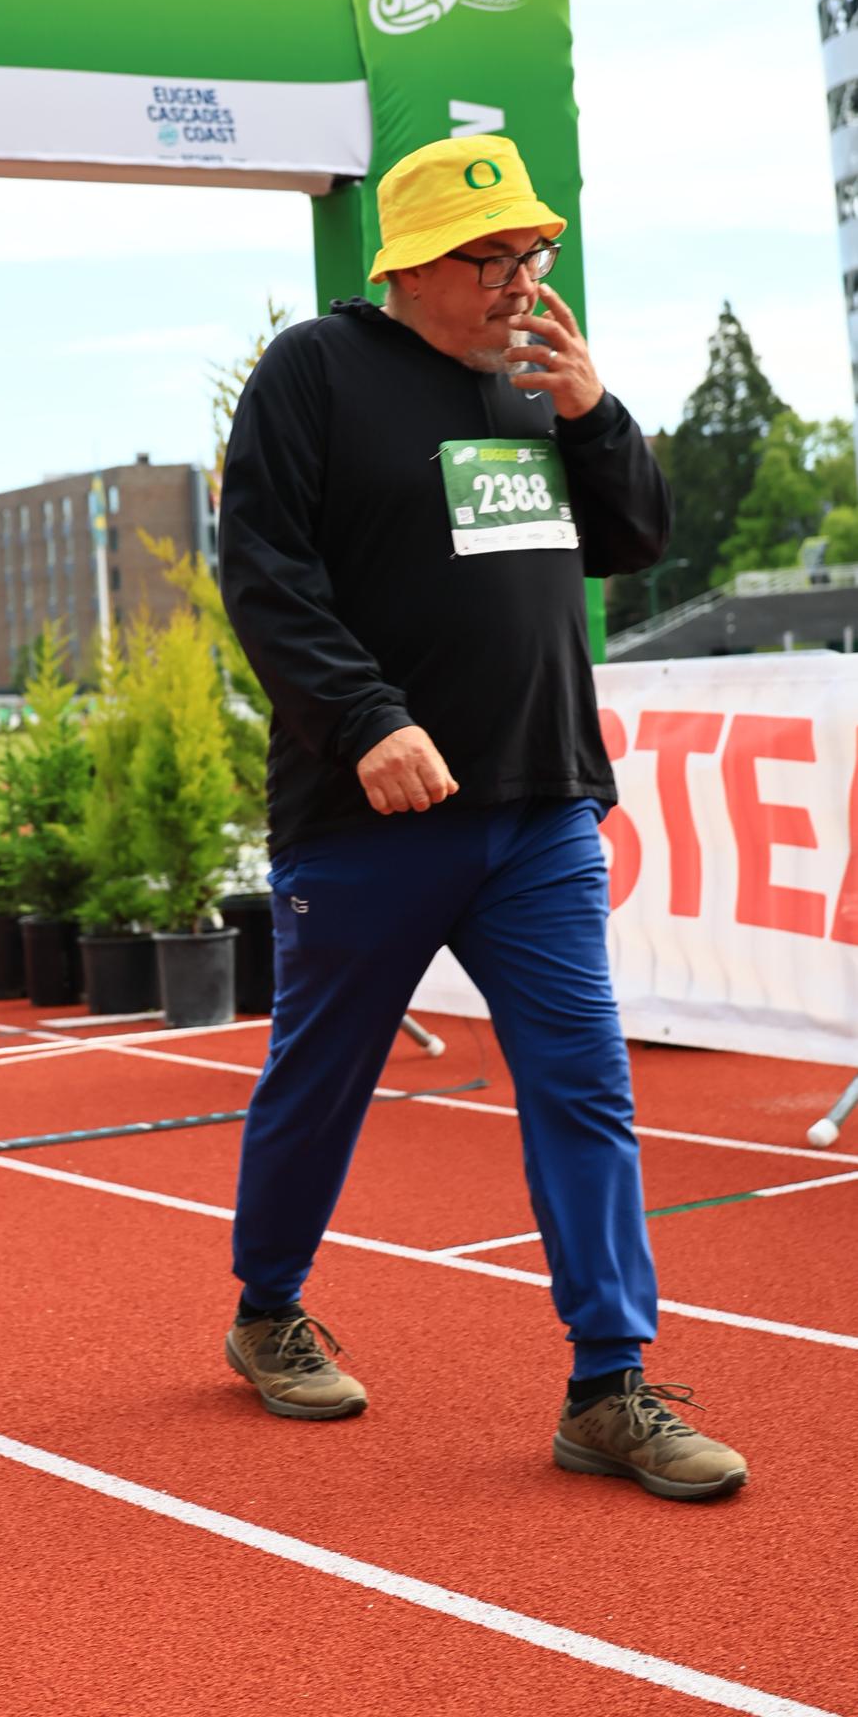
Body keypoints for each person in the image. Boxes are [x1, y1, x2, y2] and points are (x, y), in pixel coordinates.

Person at [216, 135, 748, 1503]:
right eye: (492, 258)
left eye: (534, 254)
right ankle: (268, 1308)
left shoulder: (539, 384)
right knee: (321, 1079)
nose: (522, 281)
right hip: (367, 812)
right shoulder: (315, 372)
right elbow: (264, 573)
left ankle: (607, 1386)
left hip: (543, 802)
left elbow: (632, 538)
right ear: (408, 264)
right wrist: (367, 719)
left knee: (585, 1086)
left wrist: (593, 413)